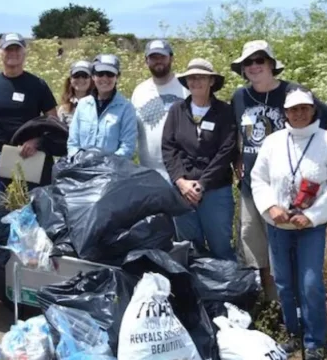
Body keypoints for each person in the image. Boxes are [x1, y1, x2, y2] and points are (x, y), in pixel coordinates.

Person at [230, 39, 327, 301]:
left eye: (260, 60)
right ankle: (275, 305)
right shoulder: (239, 96)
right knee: (257, 250)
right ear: (243, 68)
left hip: (290, 191)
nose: (255, 66)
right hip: (253, 188)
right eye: (249, 62)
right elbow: (239, 133)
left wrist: (318, 159)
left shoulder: (294, 92)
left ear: (271, 64)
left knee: (292, 250)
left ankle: (300, 304)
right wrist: (237, 157)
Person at [250, 88, 327, 360]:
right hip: (279, 225)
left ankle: (315, 341)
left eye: (304, 108)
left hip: (310, 227)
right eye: (293, 109)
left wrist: (313, 215)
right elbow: (259, 179)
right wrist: (271, 207)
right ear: (285, 113)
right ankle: (293, 332)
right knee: (283, 281)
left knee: (309, 282)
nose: (299, 113)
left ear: (313, 110)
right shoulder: (272, 141)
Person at [161, 59, 237, 261]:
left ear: (211, 81)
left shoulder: (225, 111)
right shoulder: (177, 110)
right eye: (191, 78)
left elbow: (226, 151)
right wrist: (181, 181)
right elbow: (169, 148)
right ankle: (195, 291)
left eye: (201, 77)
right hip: (182, 192)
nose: (195, 82)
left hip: (216, 191)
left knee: (220, 247)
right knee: (189, 249)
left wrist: (202, 184)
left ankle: (227, 290)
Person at [0, 33, 57, 192]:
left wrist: (37, 142)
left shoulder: (38, 85)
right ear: (0, 53)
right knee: (4, 210)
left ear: (24, 53)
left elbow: (54, 122)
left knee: (34, 208)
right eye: (8, 49)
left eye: (17, 49)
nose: (12, 53)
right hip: (1, 157)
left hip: (32, 156)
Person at [131, 39, 190, 184]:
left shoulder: (186, 86)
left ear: (171, 58)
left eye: (162, 57)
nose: (158, 61)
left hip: (183, 172)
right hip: (148, 172)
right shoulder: (139, 91)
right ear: (146, 61)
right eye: (153, 57)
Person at [66, 54, 137, 157]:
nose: (104, 78)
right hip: (82, 168)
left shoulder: (126, 108)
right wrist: (79, 160)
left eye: (110, 74)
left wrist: (105, 166)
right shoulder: (82, 104)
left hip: (112, 170)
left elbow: (127, 147)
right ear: (93, 76)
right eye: (100, 74)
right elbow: (73, 143)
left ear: (117, 77)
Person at [57, 60, 94, 128]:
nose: (80, 79)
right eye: (76, 75)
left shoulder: (98, 105)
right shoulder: (64, 109)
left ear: (91, 79)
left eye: (84, 75)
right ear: (70, 79)